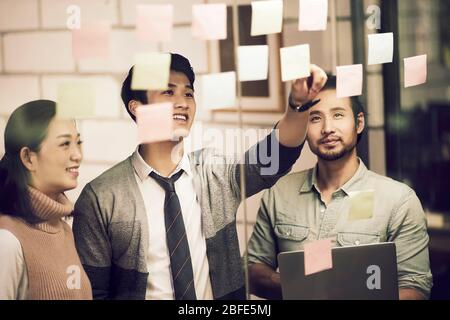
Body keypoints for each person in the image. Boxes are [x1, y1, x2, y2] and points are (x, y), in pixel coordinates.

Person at [72, 53, 328, 299]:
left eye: (188, 93)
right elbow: (94, 292)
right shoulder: (102, 197)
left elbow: (276, 157)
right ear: (138, 108)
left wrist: (298, 105)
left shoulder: (213, 172)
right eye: (168, 92)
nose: (182, 102)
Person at [247, 76, 433, 300]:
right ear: (304, 128)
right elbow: (252, 270)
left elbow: (415, 287)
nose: (327, 128)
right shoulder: (280, 192)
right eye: (315, 118)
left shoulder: (398, 200)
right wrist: (298, 285)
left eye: (338, 115)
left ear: (359, 122)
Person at [0, 100, 92, 300]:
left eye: (78, 142)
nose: (78, 155)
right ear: (28, 158)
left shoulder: (63, 229)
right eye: (65, 144)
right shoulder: (7, 240)